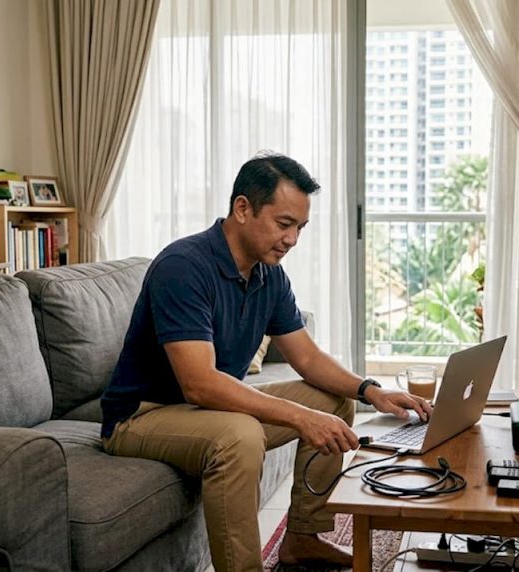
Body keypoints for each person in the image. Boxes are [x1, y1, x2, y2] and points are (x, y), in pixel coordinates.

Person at [99, 153, 432, 572]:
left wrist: (372, 391)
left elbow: (306, 357)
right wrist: (299, 417)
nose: (292, 239)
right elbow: (199, 384)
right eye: (284, 224)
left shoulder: (268, 274)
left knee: (328, 401)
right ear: (243, 209)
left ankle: (302, 540)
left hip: (202, 411)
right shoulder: (183, 267)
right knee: (239, 434)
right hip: (142, 416)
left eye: (300, 228)